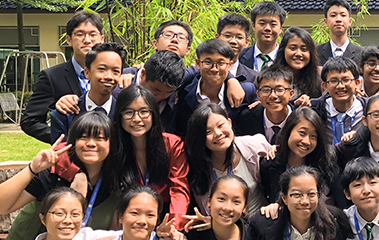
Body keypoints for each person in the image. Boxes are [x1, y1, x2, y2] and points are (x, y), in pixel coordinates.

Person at [0, 112, 120, 240]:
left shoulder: (116, 181)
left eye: (99, 138)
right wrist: (32, 169)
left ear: (111, 143)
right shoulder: (54, 174)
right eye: (83, 137)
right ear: (73, 142)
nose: (91, 143)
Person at [106, 85, 190, 225]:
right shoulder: (114, 145)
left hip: (165, 217)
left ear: (153, 114)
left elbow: (179, 189)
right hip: (130, 221)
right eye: (128, 112)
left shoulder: (172, 145)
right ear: (119, 116)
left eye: (143, 111)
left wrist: (173, 225)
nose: (137, 119)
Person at [22, 11, 105, 143]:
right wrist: (63, 137)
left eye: (92, 34)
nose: (87, 40)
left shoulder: (116, 75)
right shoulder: (52, 77)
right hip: (70, 157)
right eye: (80, 34)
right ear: (69, 40)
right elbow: (30, 121)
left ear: (102, 39)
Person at [185, 103, 271, 216]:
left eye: (220, 125)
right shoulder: (197, 168)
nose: (218, 134)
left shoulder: (255, 145)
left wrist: (274, 149)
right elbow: (206, 209)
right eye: (208, 132)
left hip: (261, 222)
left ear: (229, 123)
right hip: (225, 228)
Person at [259, 107, 341, 208]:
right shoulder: (269, 164)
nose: (306, 141)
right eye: (302, 133)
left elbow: (340, 202)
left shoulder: (327, 161)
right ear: (288, 131)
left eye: (313, 136)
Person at [175, 39, 256, 136]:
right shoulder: (184, 93)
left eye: (221, 63)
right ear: (198, 63)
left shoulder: (246, 91)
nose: (214, 69)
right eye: (208, 62)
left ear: (229, 65)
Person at [49, 42, 126, 143]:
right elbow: (61, 155)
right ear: (87, 72)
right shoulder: (65, 115)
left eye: (115, 71)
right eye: (102, 69)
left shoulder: (124, 115)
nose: (109, 76)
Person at [310, 56, 367, 144]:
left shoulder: (369, 109)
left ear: (357, 83)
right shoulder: (314, 108)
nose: (340, 86)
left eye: (345, 80)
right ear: (325, 86)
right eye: (333, 81)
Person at [127, 50, 185, 132]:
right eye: (155, 90)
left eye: (168, 92)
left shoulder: (173, 97)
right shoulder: (119, 85)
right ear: (143, 74)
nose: (160, 96)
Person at [235, 68, 294, 142]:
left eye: (279, 90)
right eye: (266, 90)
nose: (273, 96)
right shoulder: (246, 118)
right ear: (258, 95)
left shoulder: (302, 119)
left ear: (291, 94)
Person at [272, 26, 324, 99]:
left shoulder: (321, 75)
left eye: (304, 49)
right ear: (283, 50)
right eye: (293, 48)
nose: (298, 54)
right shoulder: (270, 76)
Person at [240, 1, 287, 72]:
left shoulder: (287, 58)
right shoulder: (240, 57)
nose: (267, 28)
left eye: (273, 24)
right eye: (262, 23)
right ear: (253, 26)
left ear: (280, 28)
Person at [317, 0, 363, 65]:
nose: (338, 19)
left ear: (350, 21)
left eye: (343, 15)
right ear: (326, 22)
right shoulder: (315, 53)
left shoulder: (362, 54)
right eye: (333, 15)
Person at [215, 13, 257, 82]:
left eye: (239, 37)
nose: (233, 41)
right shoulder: (204, 71)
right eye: (228, 36)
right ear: (217, 37)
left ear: (246, 42)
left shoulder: (253, 78)